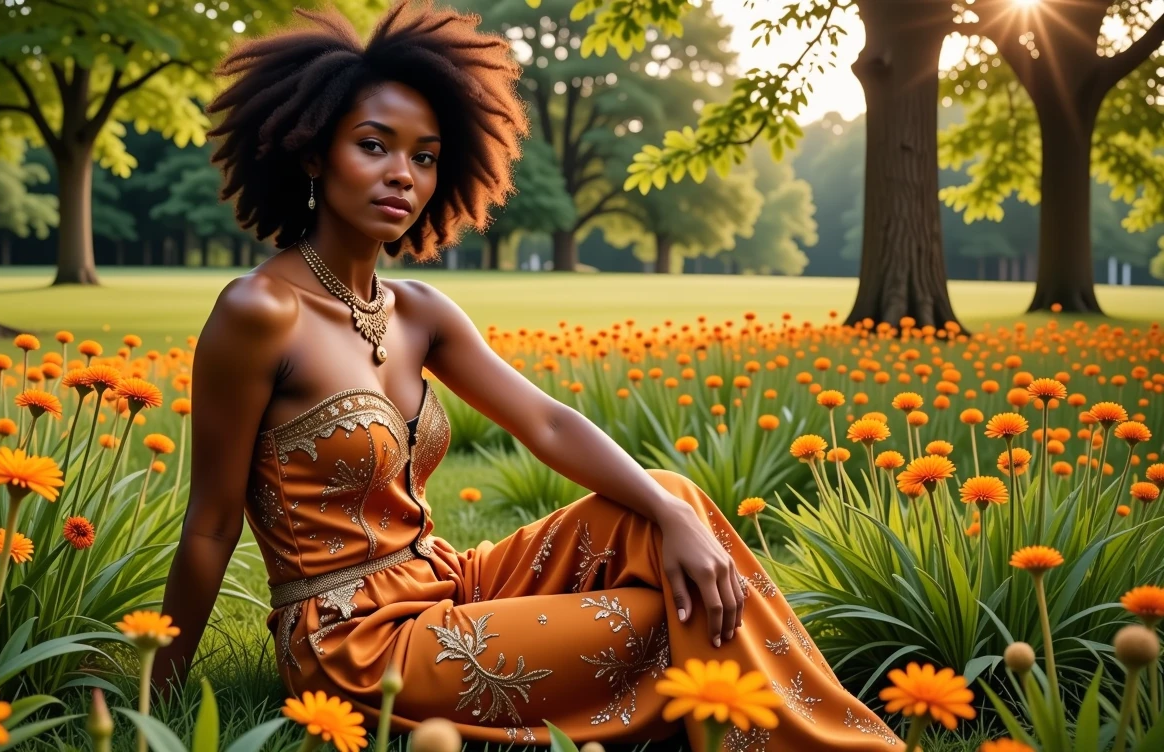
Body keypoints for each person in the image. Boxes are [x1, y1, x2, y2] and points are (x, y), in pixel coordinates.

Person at [154, 1, 903, 749]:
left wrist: (675, 517)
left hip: (445, 580)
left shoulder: (419, 311)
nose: (402, 176)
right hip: (354, 642)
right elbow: (212, 523)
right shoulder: (261, 312)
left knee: (668, 503)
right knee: (662, 619)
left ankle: (814, 729)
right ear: (315, 153)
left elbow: (547, 422)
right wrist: (160, 699)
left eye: (424, 156)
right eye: (374, 145)